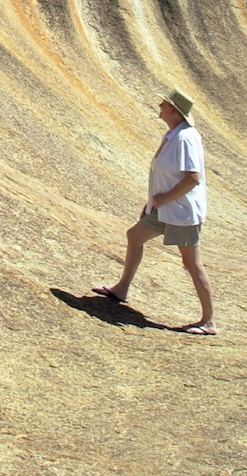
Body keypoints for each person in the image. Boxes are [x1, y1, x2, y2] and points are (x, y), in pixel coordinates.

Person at [93, 89, 216, 335]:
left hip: (182, 212)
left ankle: (208, 321)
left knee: (191, 263)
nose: (159, 106)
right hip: (165, 208)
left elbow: (193, 178)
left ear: (173, 111)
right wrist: (152, 203)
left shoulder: (185, 138)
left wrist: (162, 199)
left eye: (164, 104)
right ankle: (122, 288)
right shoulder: (173, 134)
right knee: (134, 236)